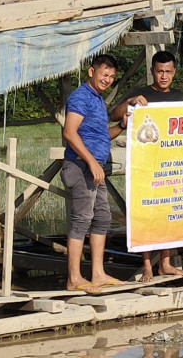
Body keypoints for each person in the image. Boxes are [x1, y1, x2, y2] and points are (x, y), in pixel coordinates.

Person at [110, 50, 183, 281]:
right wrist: (131, 103)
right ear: (152, 71)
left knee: (168, 213)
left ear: (174, 73)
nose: (163, 76)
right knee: (146, 213)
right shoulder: (140, 93)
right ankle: (147, 265)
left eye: (168, 71)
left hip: (171, 165)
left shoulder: (180, 96)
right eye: (159, 71)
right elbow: (114, 114)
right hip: (144, 163)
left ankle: (166, 263)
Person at [62, 54, 126, 292]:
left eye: (111, 76)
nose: (107, 79)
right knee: (81, 220)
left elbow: (102, 135)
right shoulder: (80, 97)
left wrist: (120, 126)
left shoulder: (97, 99)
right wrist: (91, 162)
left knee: (102, 218)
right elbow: (69, 132)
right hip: (80, 166)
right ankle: (74, 278)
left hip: (94, 169)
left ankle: (98, 274)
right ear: (91, 71)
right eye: (103, 74)